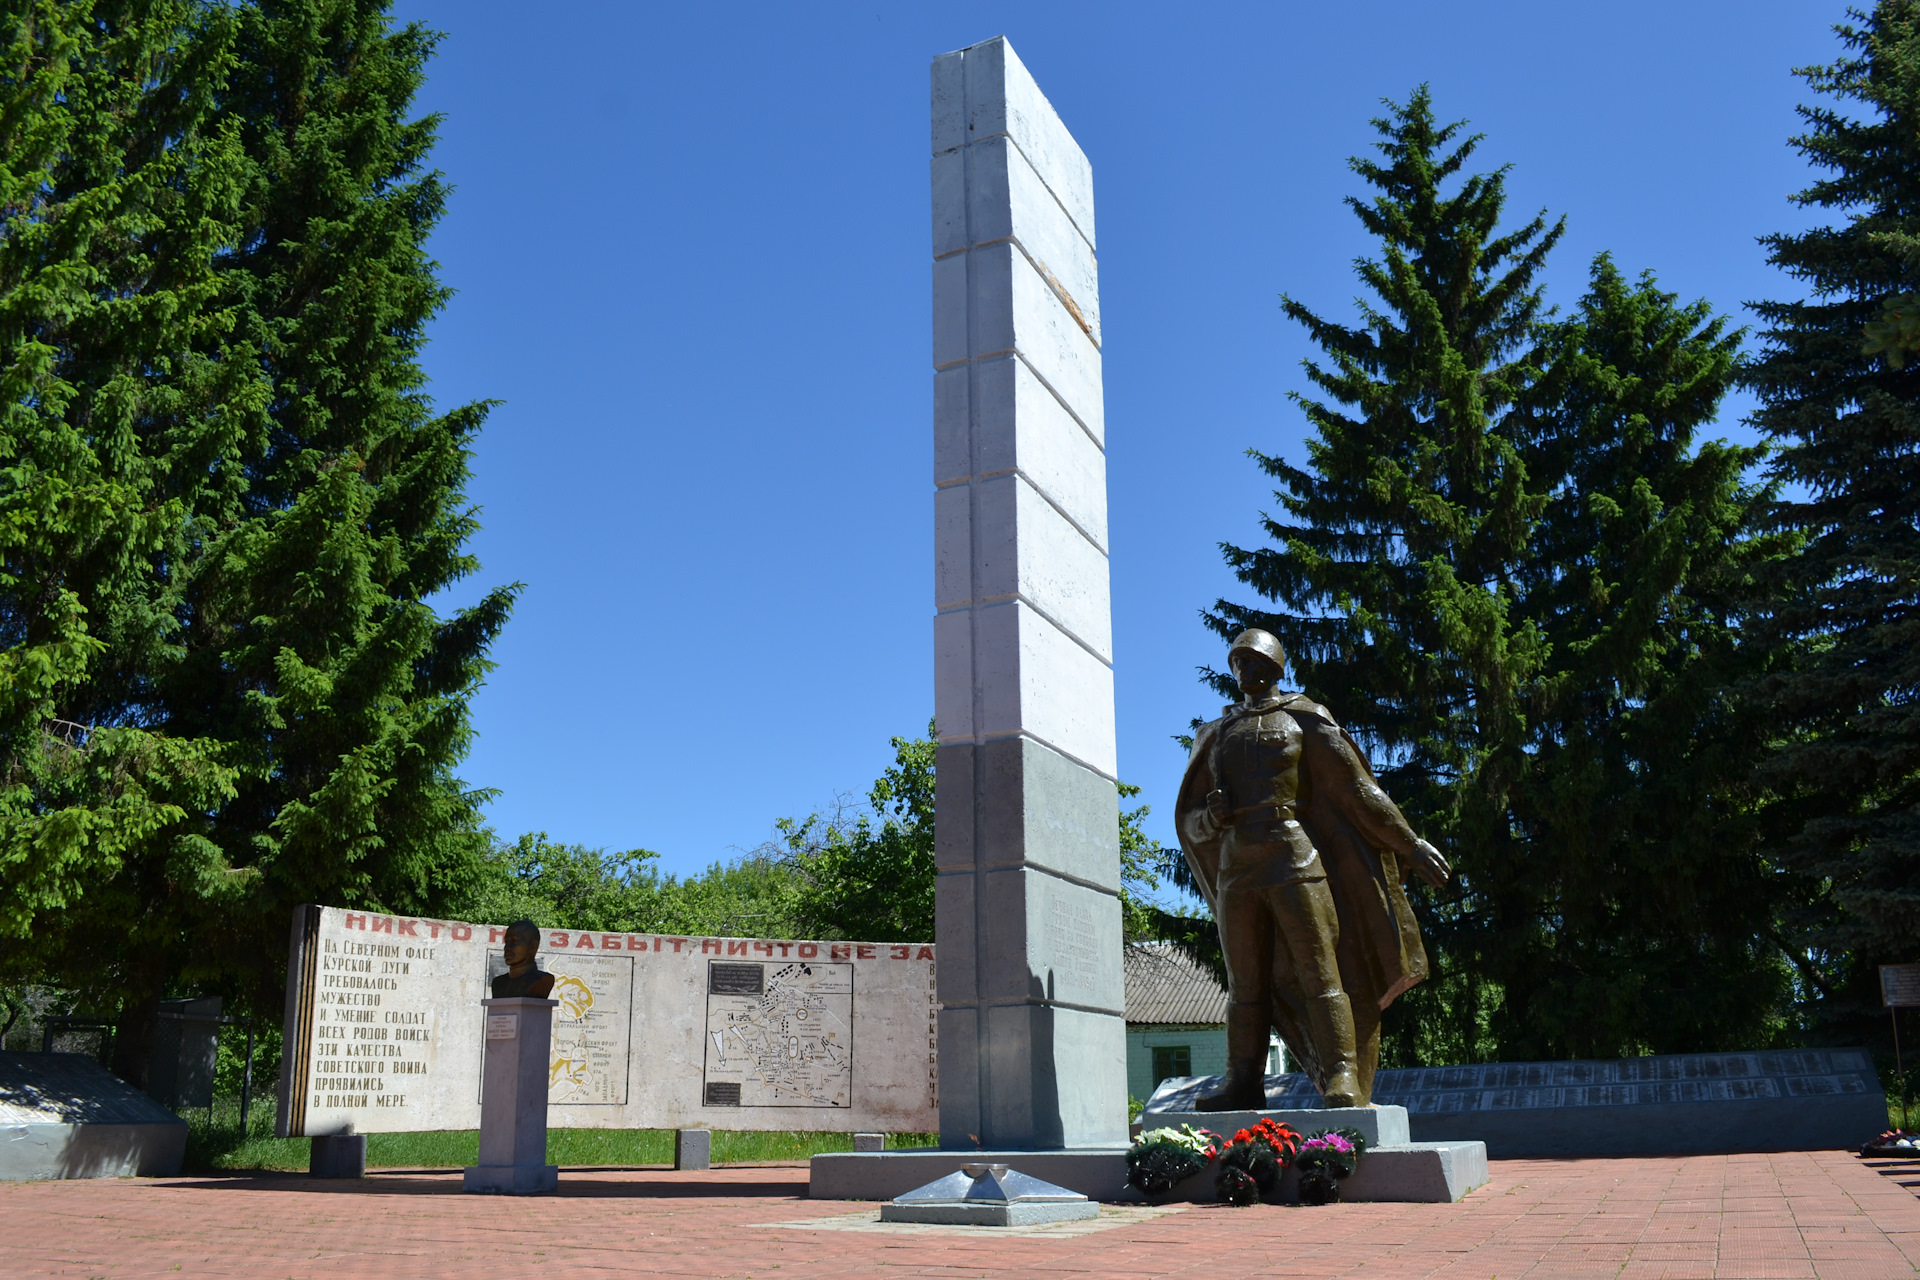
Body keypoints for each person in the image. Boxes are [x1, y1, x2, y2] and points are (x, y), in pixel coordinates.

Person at [1175, 629, 1449, 1109]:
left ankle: (1343, 1074)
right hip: (1238, 868)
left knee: (1320, 970)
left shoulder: (1305, 719)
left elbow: (1357, 791)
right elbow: (1190, 821)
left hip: (1294, 858)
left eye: (1254, 658)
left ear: (1276, 666)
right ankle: (1243, 1082)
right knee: (1245, 982)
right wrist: (1210, 817)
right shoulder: (1215, 734)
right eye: (1237, 661)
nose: (1244, 668)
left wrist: (1410, 845)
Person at [491, 919, 556, 999]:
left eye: (514, 941)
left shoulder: (543, 980)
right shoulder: (498, 983)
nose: (507, 947)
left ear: (532, 946)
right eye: (506, 942)